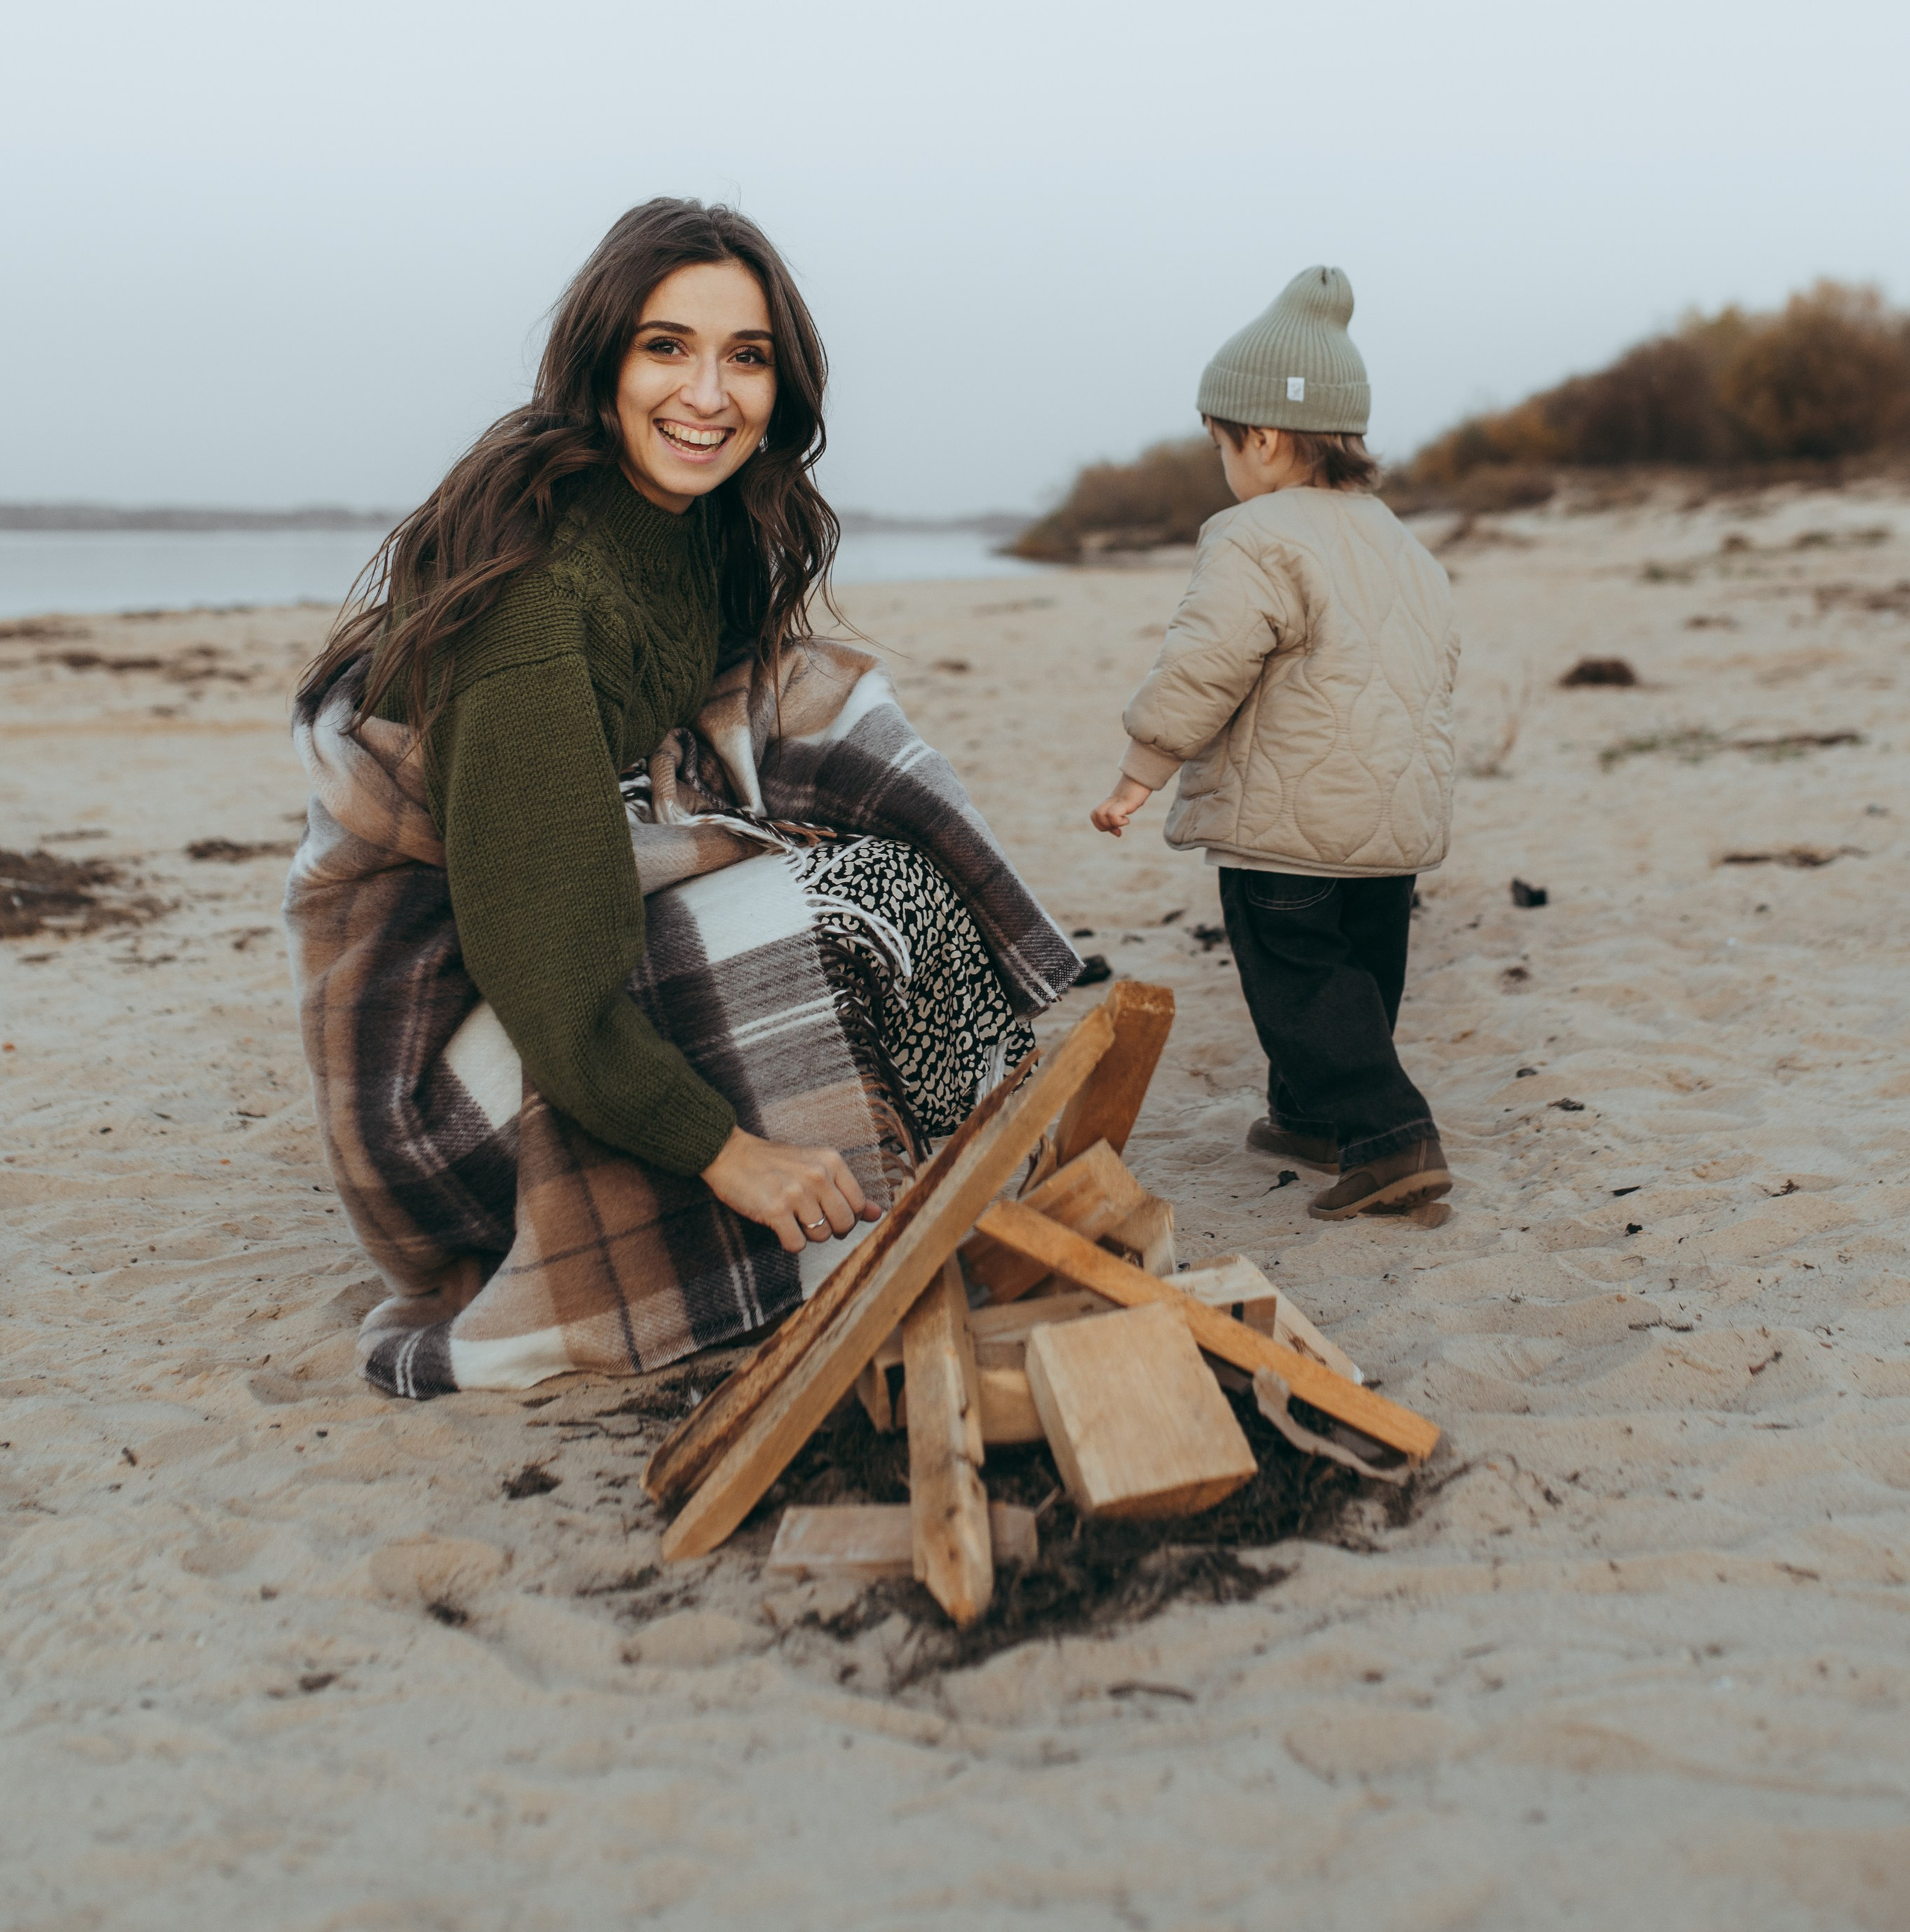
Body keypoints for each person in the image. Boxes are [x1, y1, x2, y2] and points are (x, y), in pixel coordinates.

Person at [293, 203, 1065, 1355]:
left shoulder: (693, 527)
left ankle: (974, 1157)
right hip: (435, 1100)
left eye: (744, 359)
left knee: (865, 808)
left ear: (780, 389)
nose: (707, 395)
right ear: (601, 360)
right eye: (667, 348)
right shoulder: (535, 597)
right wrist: (731, 1154)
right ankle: (890, 1193)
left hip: (540, 982)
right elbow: (546, 974)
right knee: (847, 906)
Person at [1090, 265, 1460, 1226]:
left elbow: (1203, 666)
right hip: (1396, 819)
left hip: (1288, 826)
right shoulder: (1404, 545)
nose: (1223, 463)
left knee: (1297, 974)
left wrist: (1140, 775)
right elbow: (1437, 667)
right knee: (1363, 976)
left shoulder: (1256, 537)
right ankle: (1308, 1115)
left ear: (1259, 437)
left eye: (1220, 443)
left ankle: (1390, 1137)